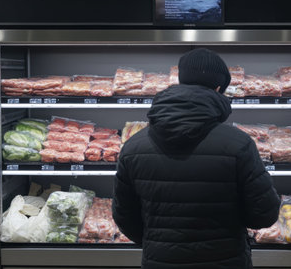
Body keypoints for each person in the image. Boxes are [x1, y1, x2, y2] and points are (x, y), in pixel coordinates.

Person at [113, 48, 280, 269]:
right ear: (219, 89)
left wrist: (159, 241)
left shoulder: (133, 146)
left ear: (181, 81)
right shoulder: (239, 144)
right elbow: (264, 215)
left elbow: (124, 216)